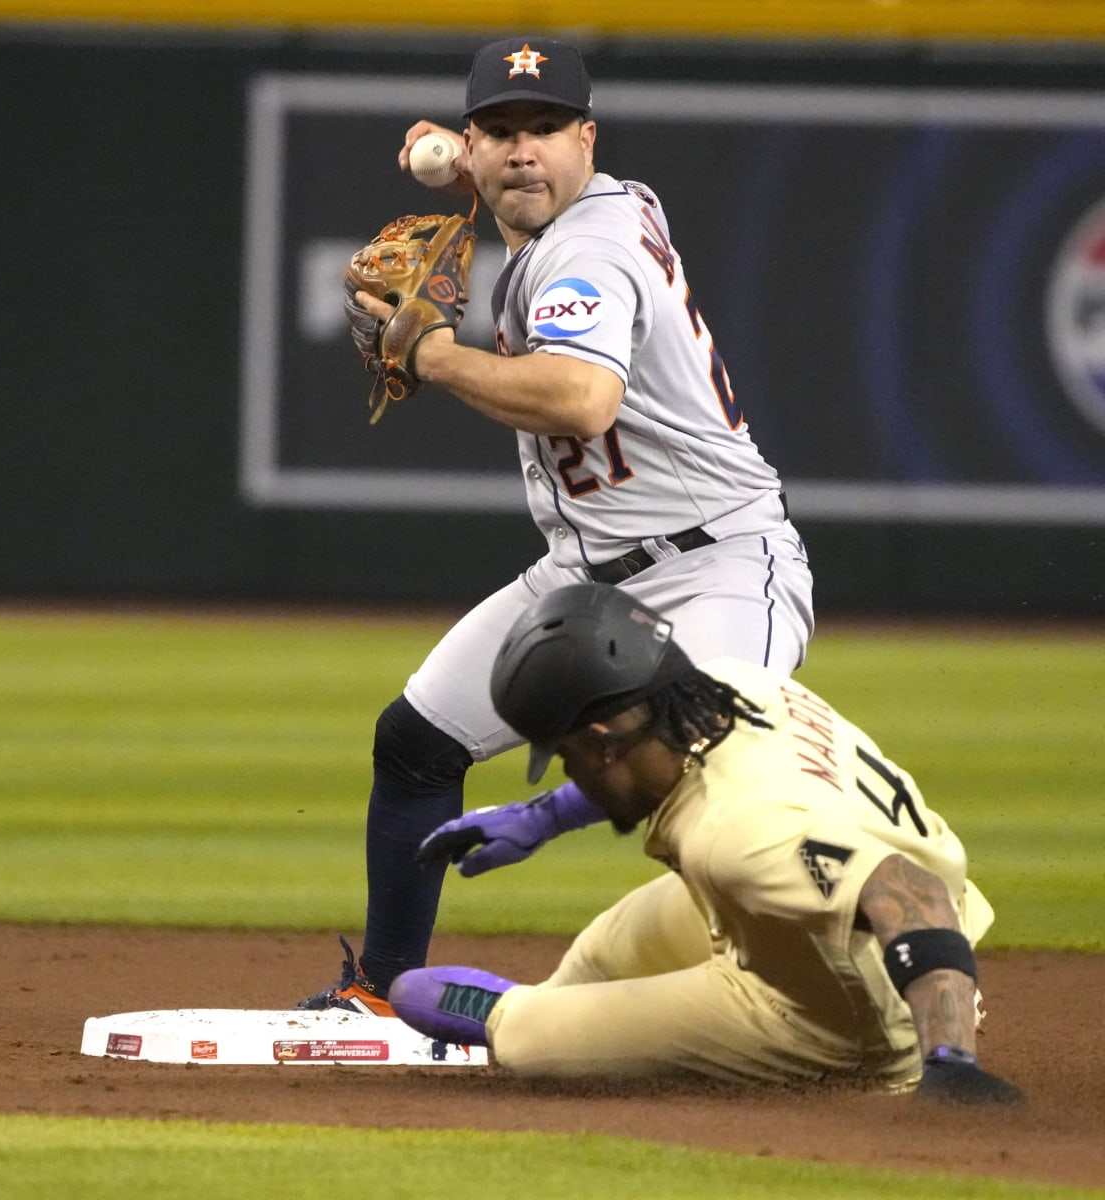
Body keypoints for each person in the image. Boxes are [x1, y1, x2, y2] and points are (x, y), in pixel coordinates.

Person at [300, 36, 813, 1013]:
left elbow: (581, 400)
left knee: (708, 777)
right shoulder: (618, 198)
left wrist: (437, 358)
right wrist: (455, 160)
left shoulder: (588, 248)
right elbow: (513, 174)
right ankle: (381, 991)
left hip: (717, 567)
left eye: (545, 130)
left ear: (588, 137)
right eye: (500, 131)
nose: (522, 151)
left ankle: (810, 999)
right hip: (586, 574)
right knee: (416, 742)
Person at [391, 583, 1024, 1105]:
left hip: (842, 1014)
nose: (565, 770)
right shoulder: (731, 686)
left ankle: (516, 1016)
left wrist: (950, 1060)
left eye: (565, 754)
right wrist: (542, 818)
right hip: (802, 915)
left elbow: (905, 890)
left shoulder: (740, 831)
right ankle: (571, 1007)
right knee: (604, 953)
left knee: (527, 1039)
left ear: (605, 736)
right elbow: (653, 767)